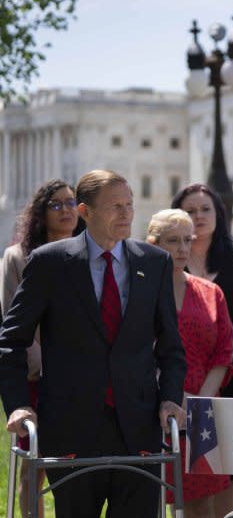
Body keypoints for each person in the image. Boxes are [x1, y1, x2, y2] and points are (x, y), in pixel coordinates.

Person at [0, 169, 186, 518]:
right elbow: (11, 341)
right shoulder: (50, 262)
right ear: (85, 212)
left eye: (129, 204)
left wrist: (171, 398)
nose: (126, 213)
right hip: (72, 428)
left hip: (139, 428)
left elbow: (171, 347)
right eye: (115, 206)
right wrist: (17, 405)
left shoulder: (154, 262)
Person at [172, 183, 233, 509]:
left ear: (218, 214)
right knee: (189, 466)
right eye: (190, 211)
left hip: (232, 371)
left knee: (228, 463)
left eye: (205, 209)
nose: (198, 216)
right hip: (185, 374)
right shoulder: (167, 262)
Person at [146, 209, 233, 518]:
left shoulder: (211, 293)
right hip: (150, 405)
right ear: (153, 243)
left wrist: (197, 401)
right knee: (147, 497)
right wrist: (169, 395)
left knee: (200, 503)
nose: (183, 249)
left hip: (203, 408)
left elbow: (224, 352)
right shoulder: (138, 292)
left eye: (188, 240)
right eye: (173, 241)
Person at [0, 179, 81, 517]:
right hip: (38, 376)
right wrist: (41, 363)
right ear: (40, 213)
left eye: (71, 202)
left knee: (77, 467)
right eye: (56, 204)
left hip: (82, 377)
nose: (66, 210)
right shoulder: (18, 257)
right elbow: (13, 318)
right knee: (34, 465)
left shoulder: (90, 253)